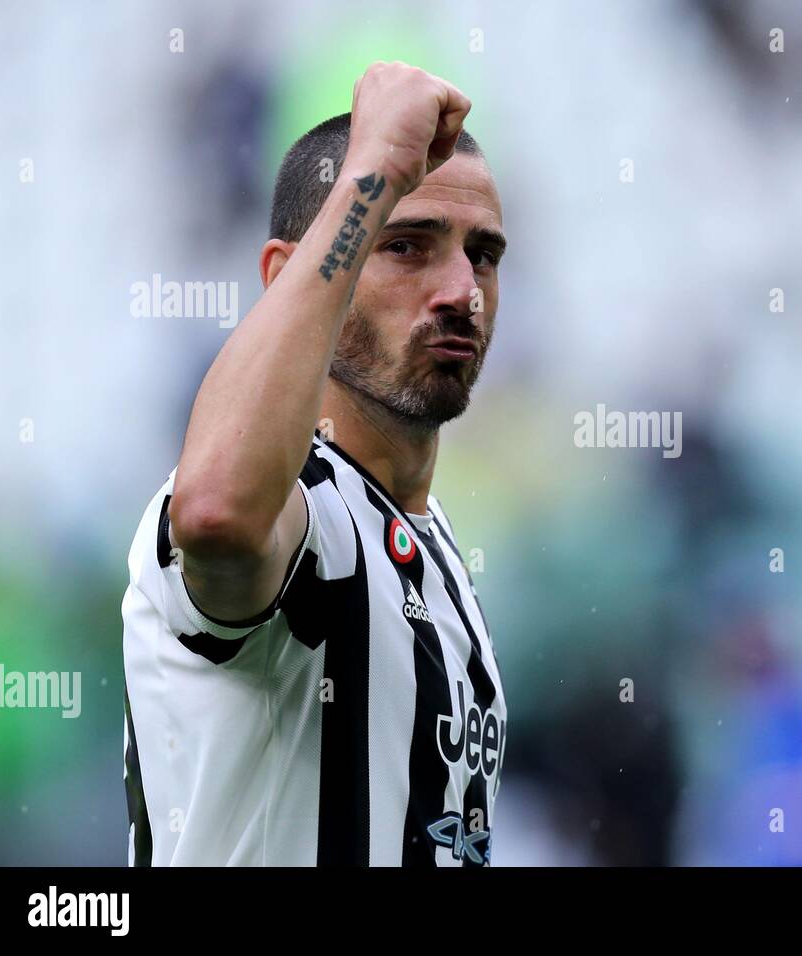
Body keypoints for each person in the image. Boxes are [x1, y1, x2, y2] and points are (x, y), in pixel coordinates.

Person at [120, 62, 507, 866]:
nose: (461, 290)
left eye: (484, 254)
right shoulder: (300, 509)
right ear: (284, 279)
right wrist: (372, 172)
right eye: (405, 246)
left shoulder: (438, 555)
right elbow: (220, 515)